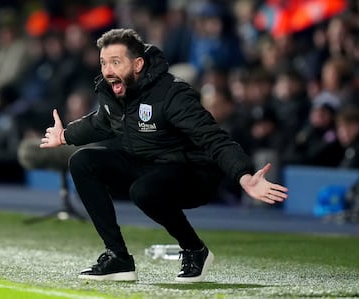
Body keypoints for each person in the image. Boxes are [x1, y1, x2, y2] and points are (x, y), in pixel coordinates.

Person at [40, 28, 288, 283]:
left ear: (138, 64)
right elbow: (101, 122)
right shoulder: (112, 92)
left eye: (116, 62)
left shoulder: (172, 94)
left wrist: (243, 175)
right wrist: (66, 135)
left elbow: (213, 138)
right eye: (104, 62)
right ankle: (118, 258)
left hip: (192, 173)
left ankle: (195, 250)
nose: (108, 70)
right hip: (148, 166)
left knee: (143, 191)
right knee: (82, 161)